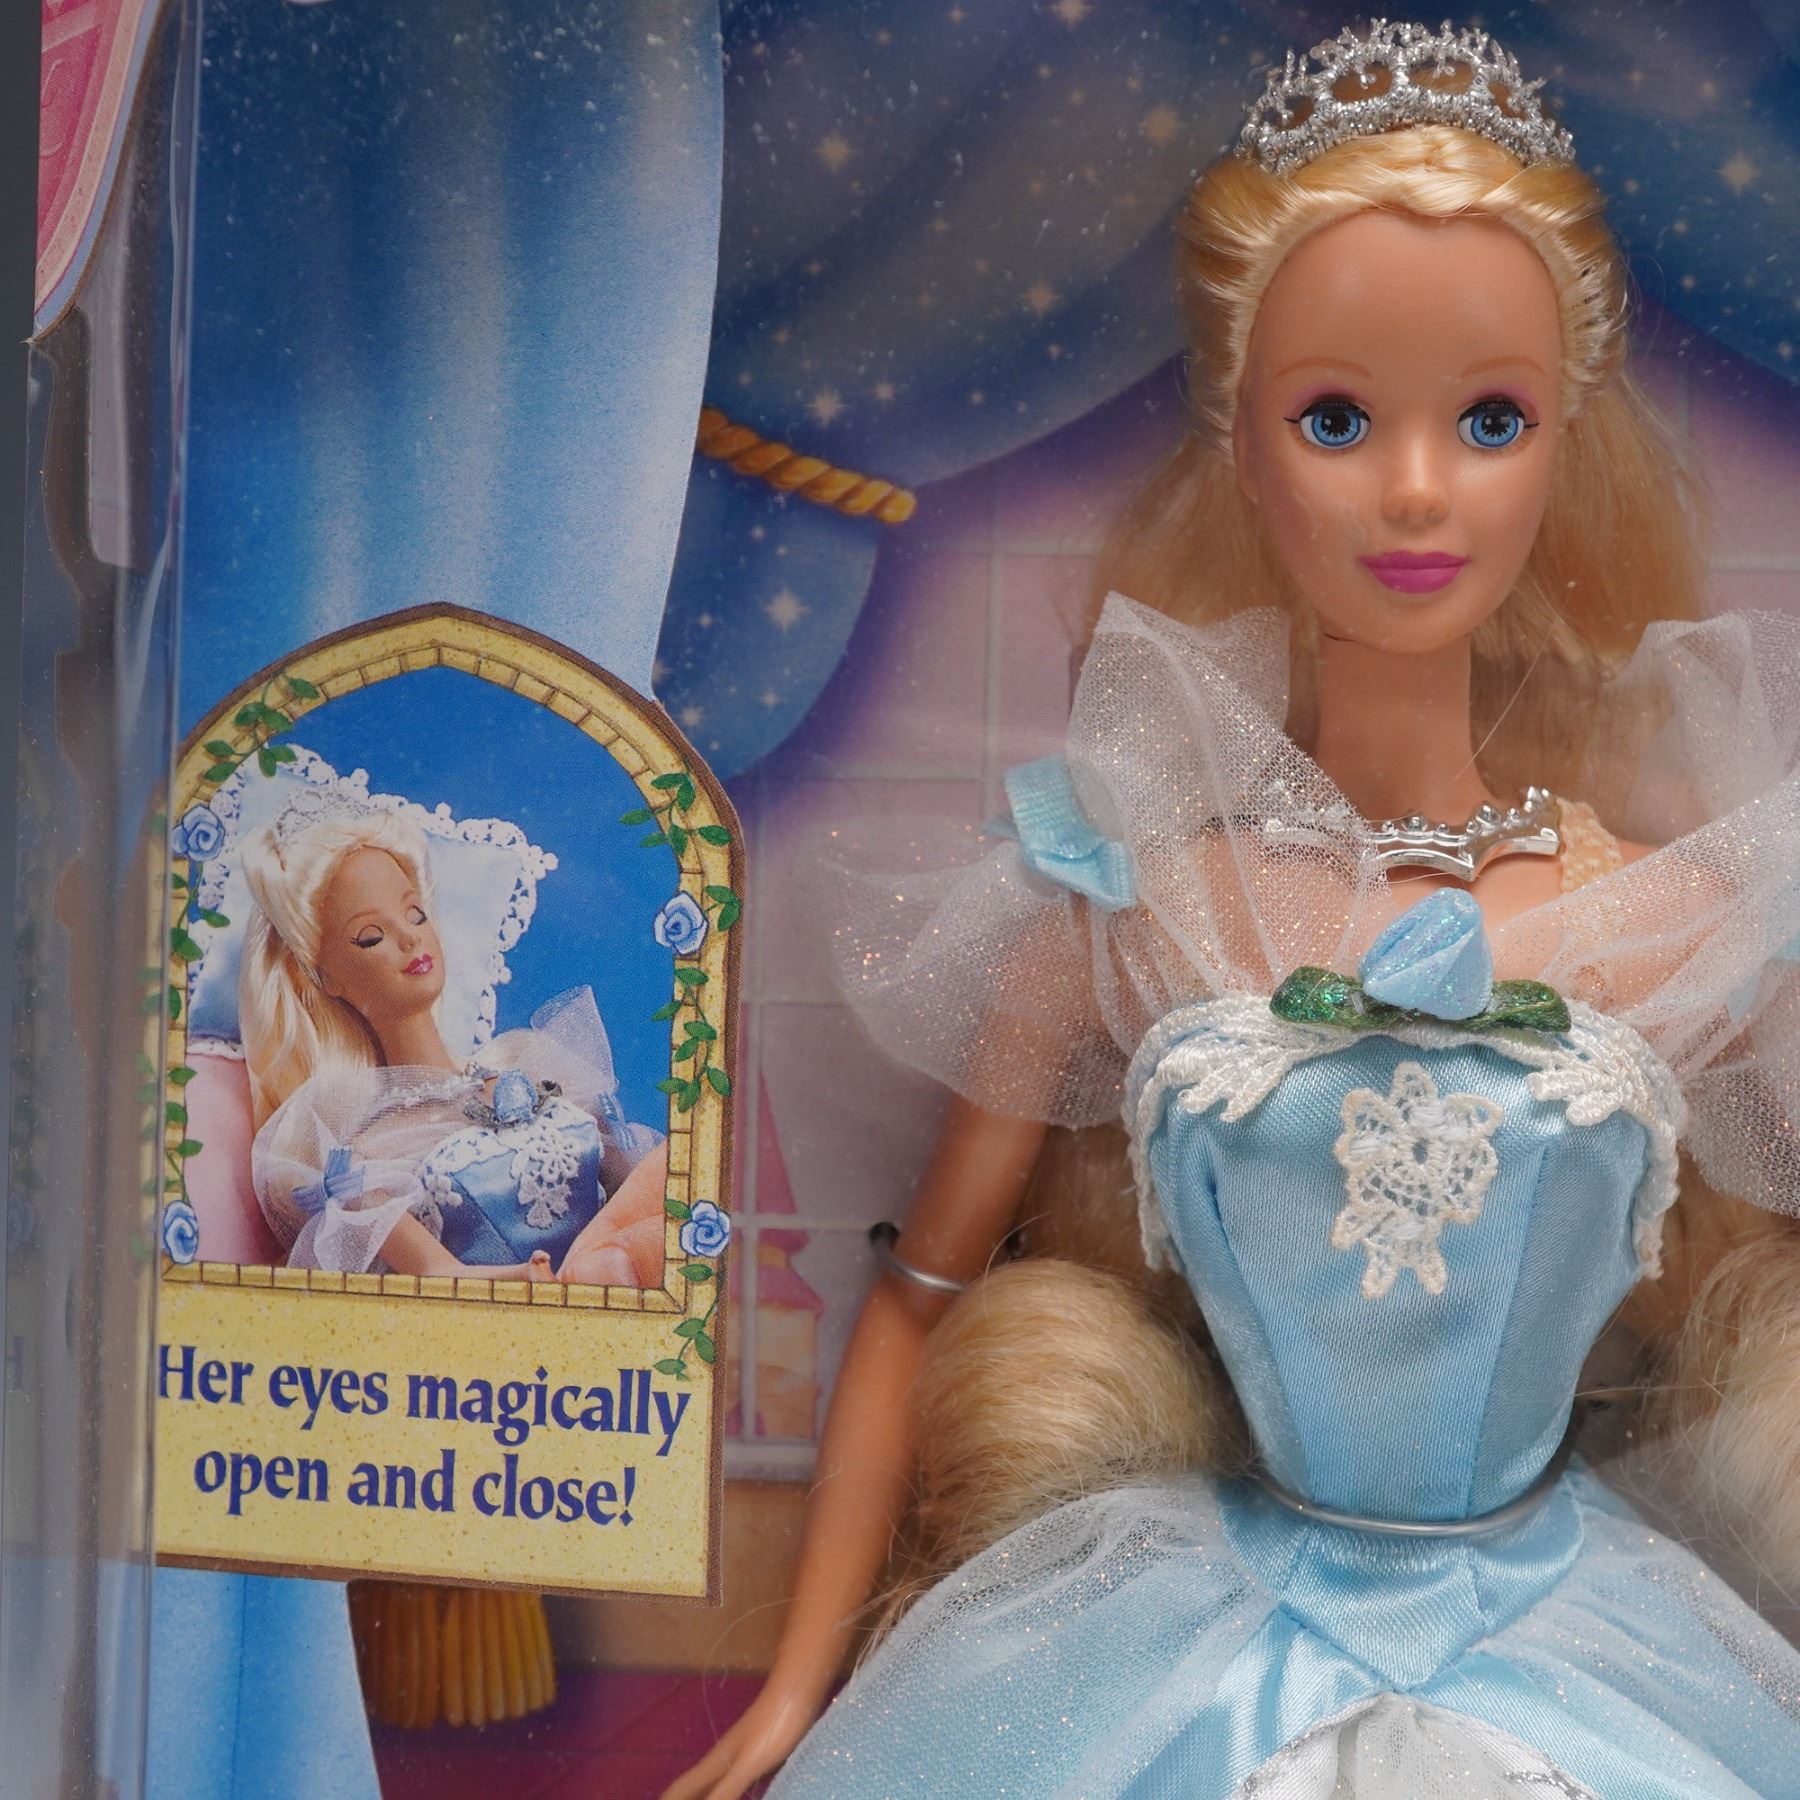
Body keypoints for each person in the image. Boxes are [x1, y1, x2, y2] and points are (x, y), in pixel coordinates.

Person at [672, 21, 1800, 1798]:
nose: (1416, 489)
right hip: (1200, 1639)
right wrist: (794, 1694)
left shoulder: (1669, 916)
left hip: (1577, 1648)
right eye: (1336, 418)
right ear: (1243, 444)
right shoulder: (1128, 895)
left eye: (1489, 420)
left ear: (1562, 443)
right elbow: (913, 1304)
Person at [238, 797, 666, 1282]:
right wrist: (523, 1279)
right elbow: (437, 1271)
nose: (409, 939)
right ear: (324, 978)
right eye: (371, 936)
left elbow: (638, 1182)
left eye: (415, 914)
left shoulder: (531, 1060)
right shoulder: (367, 1149)